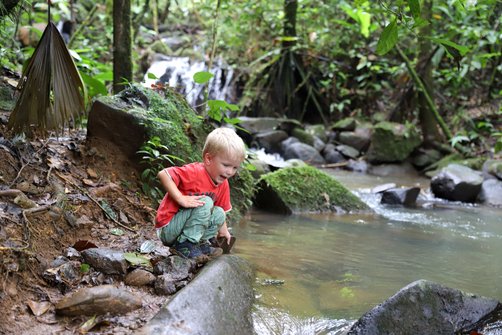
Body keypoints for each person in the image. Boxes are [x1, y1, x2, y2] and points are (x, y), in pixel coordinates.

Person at [155, 127, 246, 260]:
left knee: (219, 213)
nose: (230, 172)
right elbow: (163, 174)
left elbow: (222, 211)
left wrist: (223, 231)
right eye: (226, 165)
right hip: (168, 227)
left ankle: (199, 243)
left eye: (235, 167)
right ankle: (185, 245)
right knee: (207, 202)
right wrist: (180, 198)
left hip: (185, 229)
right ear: (208, 159)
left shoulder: (223, 183)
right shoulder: (194, 172)